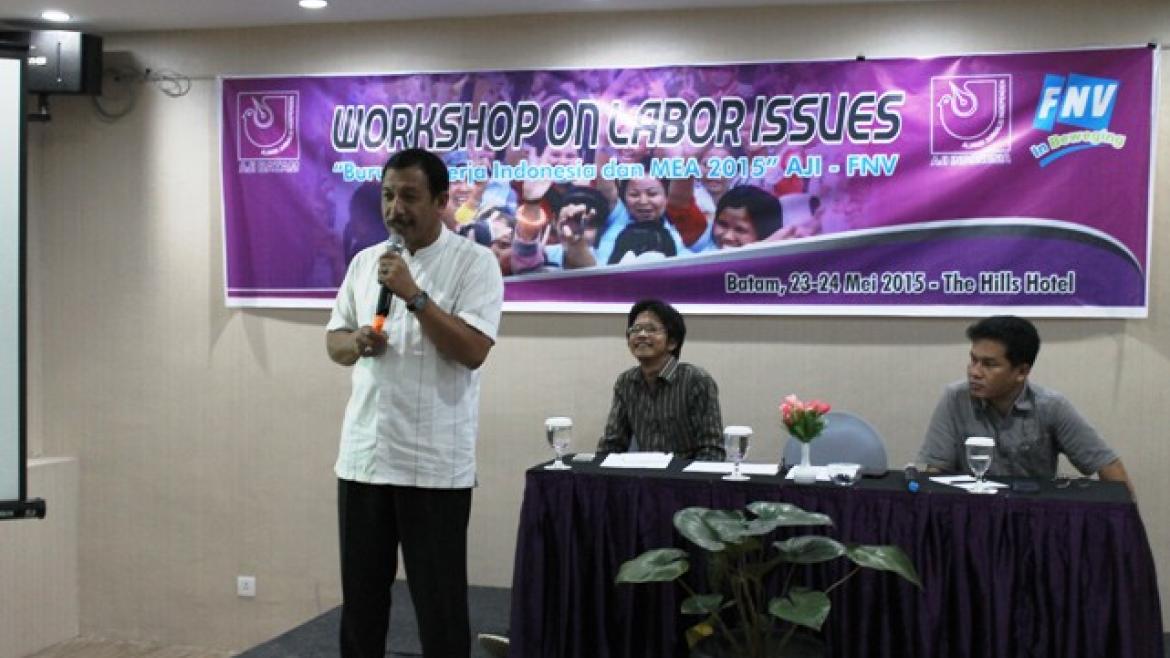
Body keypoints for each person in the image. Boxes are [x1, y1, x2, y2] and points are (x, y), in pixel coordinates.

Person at [325, 147, 505, 658]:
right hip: (365, 459)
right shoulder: (366, 262)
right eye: (387, 195)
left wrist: (415, 296)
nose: (394, 208)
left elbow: (473, 351)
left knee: (439, 607)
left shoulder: (475, 263)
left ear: (442, 200)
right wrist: (358, 341)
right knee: (361, 604)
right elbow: (334, 341)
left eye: (409, 196)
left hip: (434, 465)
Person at [917, 315, 1133, 492]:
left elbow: (1110, 467)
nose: (974, 372)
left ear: (1021, 371)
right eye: (973, 360)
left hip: (1034, 518)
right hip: (972, 516)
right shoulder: (955, 399)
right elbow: (934, 473)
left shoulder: (1051, 406)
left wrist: (1124, 525)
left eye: (989, 364)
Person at [597, 299, 725, 461]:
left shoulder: (696, 381)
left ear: (672, 342)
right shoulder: (626, 383)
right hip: (643, 474)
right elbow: (612, 444)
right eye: (636, 329)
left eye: (651, 329)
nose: (642, 335)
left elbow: (712, 450)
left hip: (687, 474)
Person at [712, 184, 784, 249]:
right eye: (723, 225)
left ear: (765, 236)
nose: (727, 237)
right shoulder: (706, 253)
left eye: (740, 230)